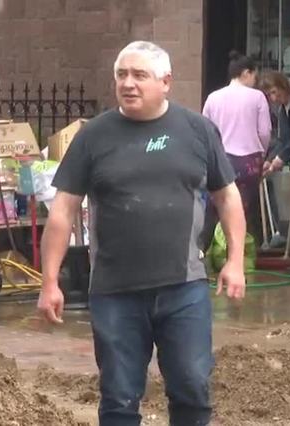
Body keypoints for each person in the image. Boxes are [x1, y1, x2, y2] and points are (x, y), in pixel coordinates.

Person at [37, 40, 246, 426]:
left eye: (139, 75)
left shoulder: (197, 131)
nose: (128, 83)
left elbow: (227, 196)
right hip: (115, 292)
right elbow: (63, 209)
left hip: (183, 288)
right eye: (122, 75)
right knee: (118, 397)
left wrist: (235, 261)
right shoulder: (94, 136)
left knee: (192, 387)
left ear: (166, 82)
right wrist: (50, 280)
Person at [201, 51, 271, 248]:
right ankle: (239, 255)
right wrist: (262, 153)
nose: (255, 80)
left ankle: (206, 252)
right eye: (254, 75)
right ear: (246, 73)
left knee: (215, 208)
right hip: (249, 160)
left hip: (220, 159)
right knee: (244, 209)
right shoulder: (257, 97)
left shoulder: (213, 98)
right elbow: (265, 132)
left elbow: (206, 131)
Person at [261, 71, 290, 174]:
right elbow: (283, 140)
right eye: (269, 95)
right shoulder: (282, 110)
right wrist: (270, 159)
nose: (273, 98)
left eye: (274, 92)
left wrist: (282, 157)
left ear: (282, 86)